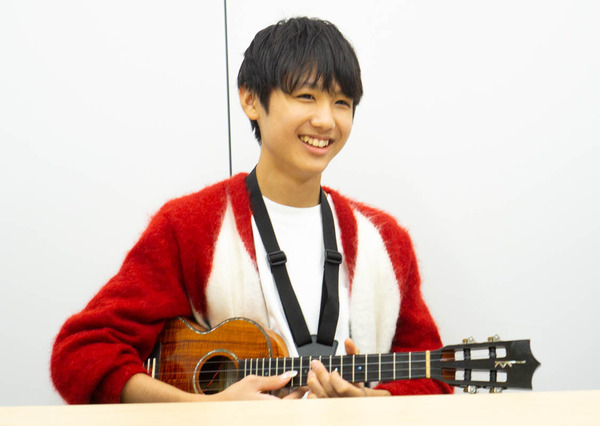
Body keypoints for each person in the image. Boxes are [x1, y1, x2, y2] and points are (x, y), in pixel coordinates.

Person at [51, 17, 453, 404]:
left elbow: (436, 375)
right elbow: (82, 352)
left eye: (342, 103)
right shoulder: (190, 227)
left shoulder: (384, 240)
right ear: (250, 99)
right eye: (306, 96)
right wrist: (204, 409)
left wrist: (370, 399)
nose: (325, 120)